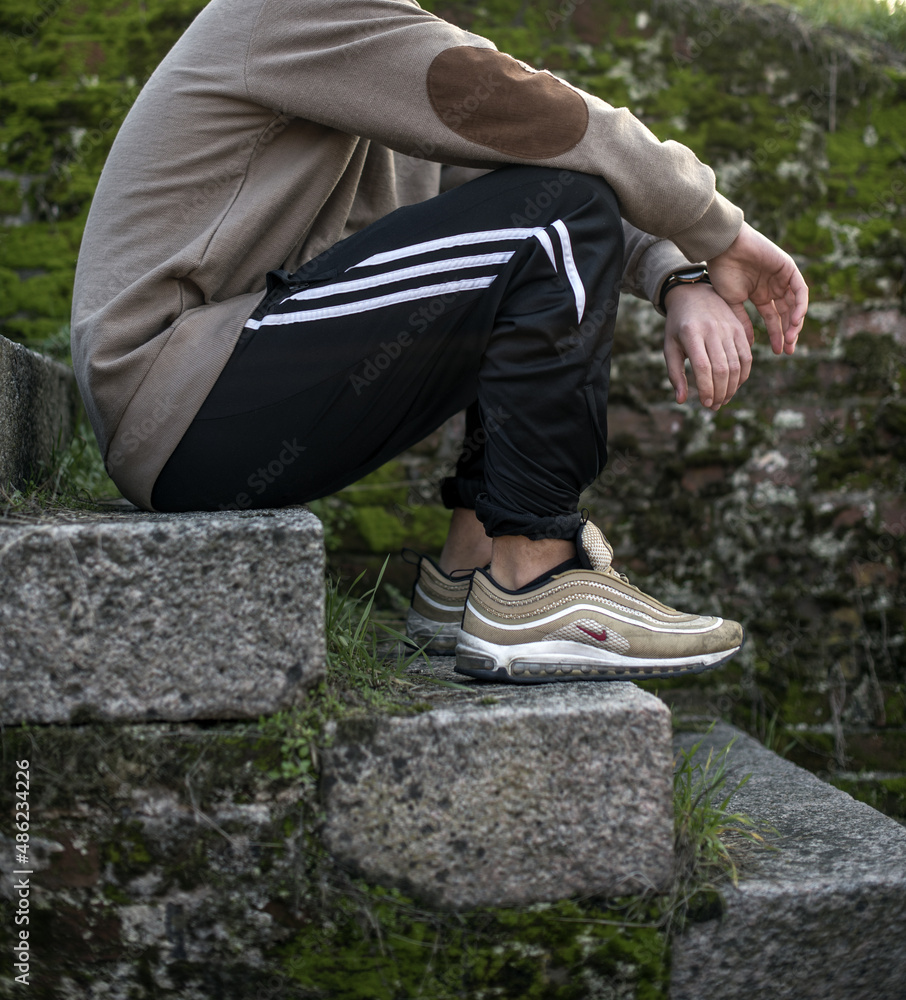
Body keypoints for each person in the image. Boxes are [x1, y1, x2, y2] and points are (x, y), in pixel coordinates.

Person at [71, 0, 808, 683]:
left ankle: (471, 571)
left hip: (213, 403)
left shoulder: (364, 54)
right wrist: (722, 229)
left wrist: (676, 276)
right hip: (178, 395)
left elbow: (533, 169)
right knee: (558, 220)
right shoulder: (298, 9)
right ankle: (534, 577)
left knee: (546, 213)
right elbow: (540, 115)